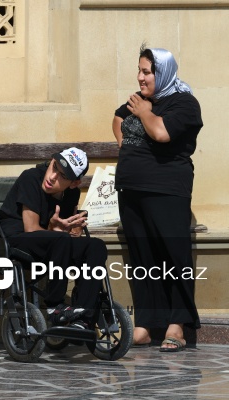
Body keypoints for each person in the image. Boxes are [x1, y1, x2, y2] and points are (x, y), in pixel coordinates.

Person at [113, 45, 202, 352]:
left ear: (162, 73)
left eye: (147, 72)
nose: (140, 78)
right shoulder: (141, 102)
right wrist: (128, 146)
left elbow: (162, 134)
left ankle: (177, 325)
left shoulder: (184, 103)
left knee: (173, 257)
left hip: (167, 190)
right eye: (139, 70)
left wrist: (145, 112)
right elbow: (117, 118)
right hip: (131, 190)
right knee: (142, 259)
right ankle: (144, 326)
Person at [0, 147, 106, 329]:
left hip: (53, 244)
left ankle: (84, 316)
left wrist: (74, 230)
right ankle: (54, 307)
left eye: (63, 176)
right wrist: (56, 232)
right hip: (17, 238)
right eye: (54, 167)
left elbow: (65, 232)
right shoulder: (31, 177)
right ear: (51, 161)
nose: (53, 177)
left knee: (96, 246)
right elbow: (31, 229)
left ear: (74, 183)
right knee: (61, 240)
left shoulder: (72, 193)